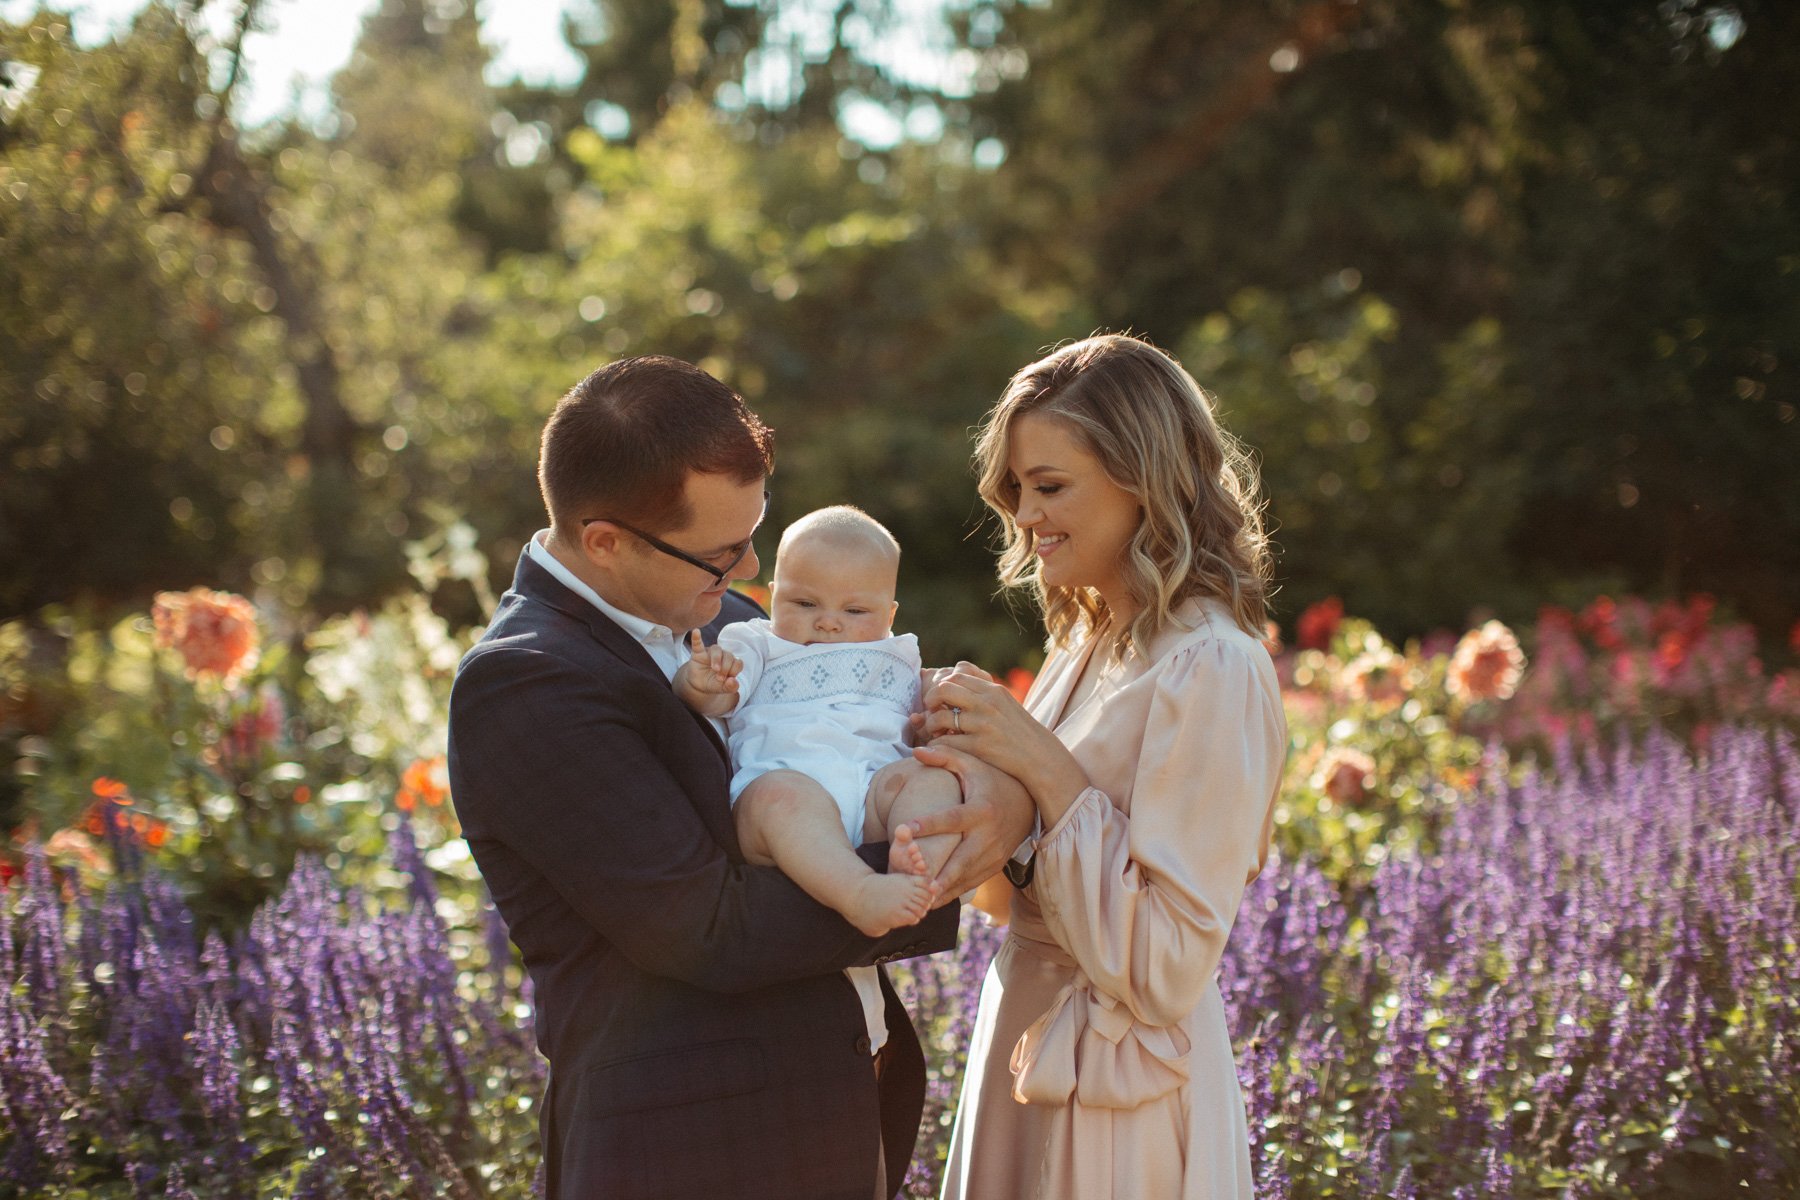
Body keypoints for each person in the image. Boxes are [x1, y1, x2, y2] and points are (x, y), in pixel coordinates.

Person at [445, 356, 1034, 1200]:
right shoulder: (528, 682)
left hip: (834, 1104)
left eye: (753, 535)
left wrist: (982, 789)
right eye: (722, 553)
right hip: (691, 1151)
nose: (752, 568)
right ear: (605, 541)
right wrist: (942, 865)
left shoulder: (730, 615)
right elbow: (706, 926)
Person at [909, 334, 1290, 1199]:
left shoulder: (1213, 664)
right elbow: (1010, 893)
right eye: (1016, 489)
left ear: (1144, 479)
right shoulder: (1087, 639)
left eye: (1050, 487)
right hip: (1022, 1026)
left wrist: (1038, 763)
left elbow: (1167, 966)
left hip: (1120, 1085)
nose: (1024, 515)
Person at [673, 506, 964, 940]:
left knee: (932, 778)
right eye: (805, 603)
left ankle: (917, 868)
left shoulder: (899, 656)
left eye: (855, 610)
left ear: (889, 615)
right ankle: (859, 892)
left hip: (874, 796)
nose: (828, 622)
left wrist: (936, 721)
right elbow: (717, 698)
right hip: (789, 798)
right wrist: (701, 683)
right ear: (774, 596)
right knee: (778, 797)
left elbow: (919, 724)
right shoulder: (757, 643)